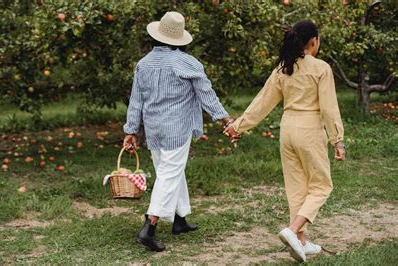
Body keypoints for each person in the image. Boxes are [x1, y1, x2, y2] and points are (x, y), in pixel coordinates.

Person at [224, 20, 345, 262]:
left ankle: (300, 241)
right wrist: (337, 140)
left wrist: (238, 126)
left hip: (287, 128)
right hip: (309, 128)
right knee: (321, 185)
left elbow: (262, 102)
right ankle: (292, 230)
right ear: (314, 42)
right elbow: (329, 109)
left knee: (296, 187)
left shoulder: (283, 68)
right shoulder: (321, 68)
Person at [123, 11, 233, 252]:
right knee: (169, 174)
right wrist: (224, 119)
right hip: (176, 129)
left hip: (153, 129)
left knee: (170, 170)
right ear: (178, 38)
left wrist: (131, 130)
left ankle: (179, 219)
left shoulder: (143, 64)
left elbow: (136, 102)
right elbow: (206, 94)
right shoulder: (187, 63)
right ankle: (149, 226)